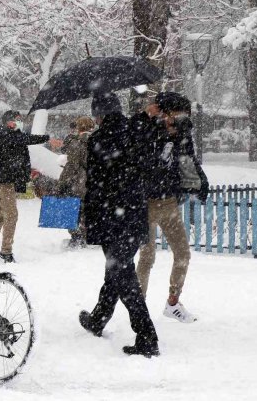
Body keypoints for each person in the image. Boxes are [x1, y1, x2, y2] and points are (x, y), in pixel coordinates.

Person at [78, 92, 159, 358]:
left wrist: (89, 217)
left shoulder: (98, 140)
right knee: (117, 270)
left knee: (123, 276)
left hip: (110, 218)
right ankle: (99, 317)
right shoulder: (137, 132)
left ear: (99, 115)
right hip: (134, 216)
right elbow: (148, 169)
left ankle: (146, 335)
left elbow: (95, 184)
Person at [134, 92, 209, 323]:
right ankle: (139, 308)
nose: (180, 118)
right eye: (178, 113)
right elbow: (136, 152)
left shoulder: (182, 134)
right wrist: (148, 118)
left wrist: (200, 183)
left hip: (168, 203)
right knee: (147, 257)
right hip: (145, 204)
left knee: (183, 253)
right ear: (165, 112)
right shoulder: (146, 131)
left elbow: (190, 161)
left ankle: (173, 303)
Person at [0, 110, 56, 262]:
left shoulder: (12, 134)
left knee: (0, 215)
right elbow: (23, 139)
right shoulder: (3, 132)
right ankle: (6, 251)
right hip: (5, 181)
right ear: (8, 121)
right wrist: (47, 138)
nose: (19, 123)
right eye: (17, 120)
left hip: (7, 181)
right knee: (11, 215)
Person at [57, 116, 95, 248]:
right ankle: (85, 235)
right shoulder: (98, 140)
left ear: (79, 127)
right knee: (87, 210)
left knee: (74, 209)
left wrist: (62, 182)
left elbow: (72, 165)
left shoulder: (75, 142)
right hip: (93, 182)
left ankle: (77, 237)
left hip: (78, 181)